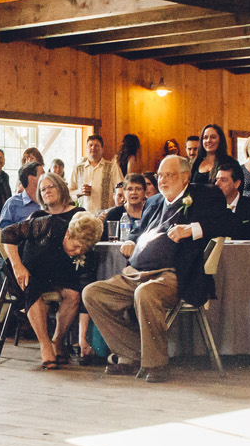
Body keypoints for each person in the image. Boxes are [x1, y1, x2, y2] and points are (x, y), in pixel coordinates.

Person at [81, 154, 226, 383]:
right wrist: (131, 239)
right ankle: (132, 353)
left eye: (169, 175)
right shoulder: (154, 201)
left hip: (173, 275)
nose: (162, 180)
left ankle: (156, 364)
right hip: (136, 273)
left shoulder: (204, 195)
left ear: (186, 177)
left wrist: (191, 229)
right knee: (92, 293)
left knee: (145, 293)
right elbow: (141, 231)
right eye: (160, 175)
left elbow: (226, 222)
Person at [1, 182, 100, 369]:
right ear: (68, 234)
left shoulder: (86, 253)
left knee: (73, 294)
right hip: (30, 270)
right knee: (33, 288)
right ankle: (45, 345)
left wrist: (82, 339)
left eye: (83, 249)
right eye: (76, 246)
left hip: (57, 274)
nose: (78, 252)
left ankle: (57, 340)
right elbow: (8, 233)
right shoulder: (47, 224)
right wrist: (17, 266)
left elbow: (85, 289)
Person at [212, 160, 250, 239]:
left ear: (236, 184)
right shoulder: (211, 208)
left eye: (223, 180)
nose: (217, 184)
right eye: (217, 179)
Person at [72, 134, 116, 214]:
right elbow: (68, 192)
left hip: (105, 216)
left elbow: (120, 188)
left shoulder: (112, 167)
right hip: (83, 217)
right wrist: (79, 191)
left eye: (96, 145)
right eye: (90, 145)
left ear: (102, 149)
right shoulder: (78, 168)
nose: (93, 148)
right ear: (86, 149)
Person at [0, 161, 44, 226]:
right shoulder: (12, 204)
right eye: (42, 174)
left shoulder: (48, 200)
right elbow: (2, 232)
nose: (46, 177)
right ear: (31, 179)